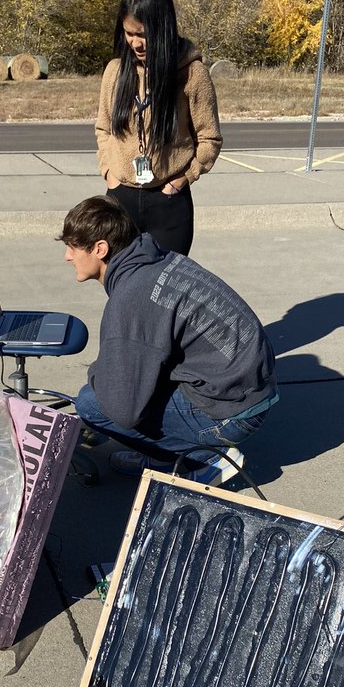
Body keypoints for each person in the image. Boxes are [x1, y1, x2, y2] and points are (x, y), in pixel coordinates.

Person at [60, 196, 277, 484]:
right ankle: (163, 456)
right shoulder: (158, 260)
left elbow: (124, 410)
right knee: (125, 385)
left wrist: (99, 374)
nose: (67, 256)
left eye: (72, 247)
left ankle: (205, 459)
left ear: (100, 249)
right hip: (250, 388)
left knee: (91, 403)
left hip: (232, 412)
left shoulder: (132, 297)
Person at [96, 0, 222, 257]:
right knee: (122, 291)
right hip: (120, 200)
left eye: (143, 34)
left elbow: (209, 137)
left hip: (169, 202)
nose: (136, 43)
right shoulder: (115, 72)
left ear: (163, 28)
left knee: (165, 294)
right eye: (129, 33)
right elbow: (103, 129)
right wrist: (109, 174)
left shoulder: (192, 74)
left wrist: (185, 177)